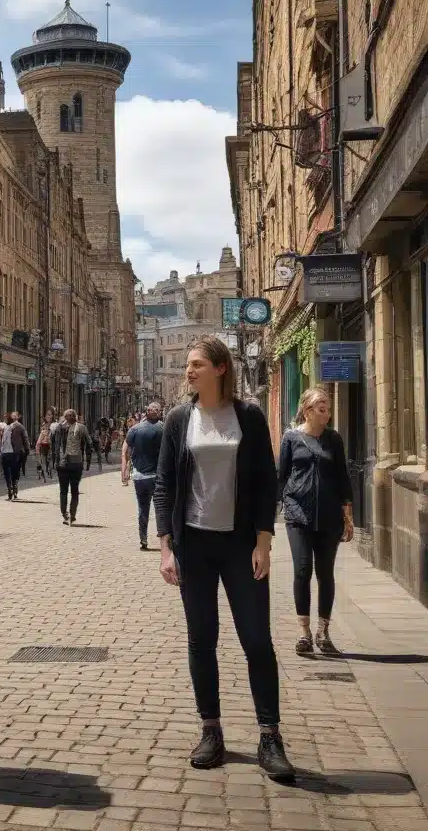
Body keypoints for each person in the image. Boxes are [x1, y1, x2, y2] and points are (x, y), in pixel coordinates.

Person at [154, 335, 294, 782]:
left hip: (239, 544)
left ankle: (270, 736)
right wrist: (165, 546)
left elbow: (266, 481)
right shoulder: (180, 419)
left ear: (219, 368)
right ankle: (211, 730)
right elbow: (164, 485)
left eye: (196, 364)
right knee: (202, 641)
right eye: (187, 365)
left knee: (256, 640)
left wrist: (264, 540)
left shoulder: (248, 415)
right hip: (194, 545)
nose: (188, 371)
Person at [278, 387, 354, 656]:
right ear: (307, 411)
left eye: (328, 408)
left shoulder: (334, 439)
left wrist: (348, 515)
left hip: (330, 516)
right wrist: (273, 510)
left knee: (325, 573)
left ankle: (323, 631)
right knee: (302, 570)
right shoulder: (291, 438)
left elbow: (343, 477)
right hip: (298, 514)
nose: (327, 413)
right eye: (321, 408)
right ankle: (304, 632)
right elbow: (282, 474)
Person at [122, 401, 164, 550]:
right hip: (158, 477)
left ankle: (143, 539)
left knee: (142, 508)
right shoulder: (164, 429)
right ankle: (164, 541)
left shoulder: (134, 429)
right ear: (159, 413)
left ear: (146, 412)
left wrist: (125, 469)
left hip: (139, 476)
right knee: (161, 509)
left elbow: (126, 451)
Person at [52, 409, 89, 525]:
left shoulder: (58, 428)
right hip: (75, 463)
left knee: (63, 491)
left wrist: (54, 461)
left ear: (64, 417)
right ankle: (72, 515)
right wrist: (87, 459)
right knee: (74, 491)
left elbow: (54, 445)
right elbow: (89, 443)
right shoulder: (81, 428)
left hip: (63, 464)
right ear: (75, 417)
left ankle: (65, 514)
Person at [0, 411, 29, 500]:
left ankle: (10, 487)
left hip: (5, 453)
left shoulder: (5, 427)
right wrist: (27, 450)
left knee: (7, 472)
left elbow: (1, 440)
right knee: (15, 471)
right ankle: (14, 486)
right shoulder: (19, 426)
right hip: (14, 453)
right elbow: (25, 438)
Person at [36, 408, 55, 480]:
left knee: (49, 459)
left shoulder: (54, 425)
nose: (48, 416)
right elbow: (41, 436)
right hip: (44, 445)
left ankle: (48, 471)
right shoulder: (43, 425)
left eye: (50, 415)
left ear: (53, 416)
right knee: (44, 459)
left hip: (52, 445)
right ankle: (45, 472)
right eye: (47, 415)